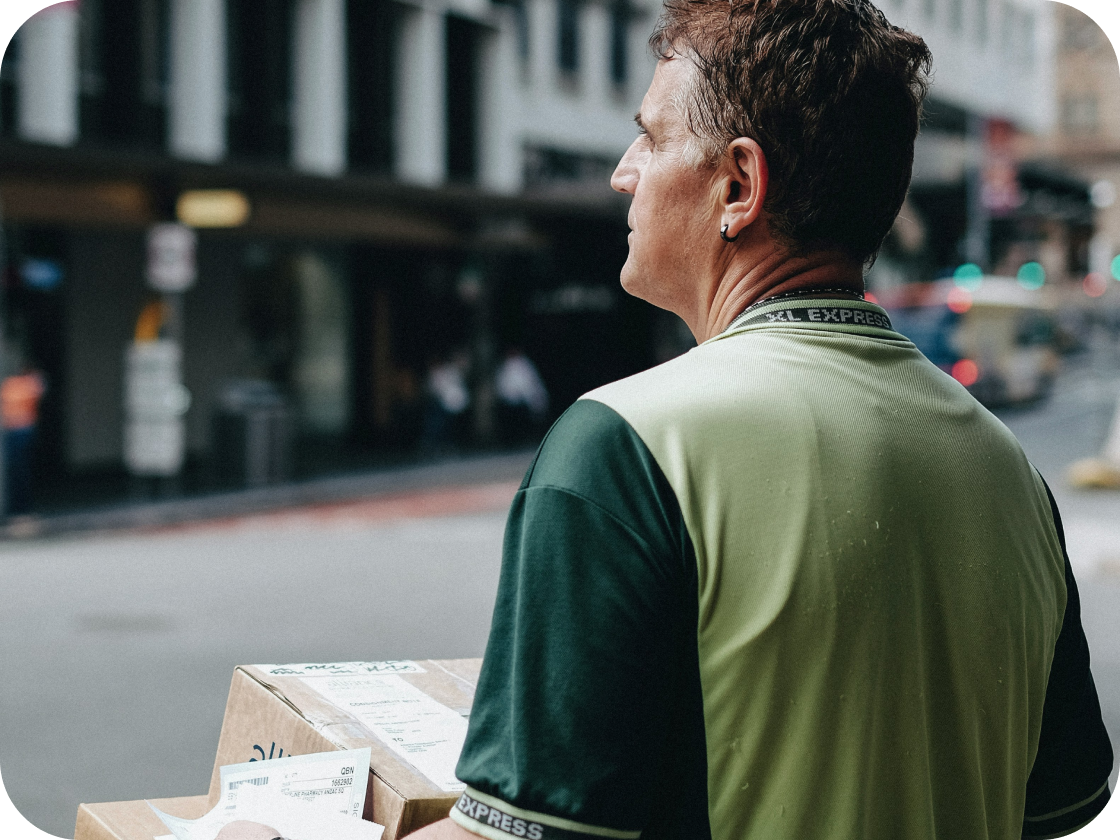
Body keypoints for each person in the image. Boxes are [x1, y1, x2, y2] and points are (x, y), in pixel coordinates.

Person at [409, 2, 1113, 839]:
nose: (623, 172)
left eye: (653, 138)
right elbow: (1066, 813)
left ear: (738, 185)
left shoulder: (625, 448)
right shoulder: (1011, 475)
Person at [2, 361, 47, 516]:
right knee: (17, 470)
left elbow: (40, 390)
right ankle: (19, 507)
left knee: (22, 469)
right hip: (16, 430)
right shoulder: (13, 385)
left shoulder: (25, 384)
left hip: (23, 430)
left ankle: (23, 507)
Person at [494, 346, 549, 445]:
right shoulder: (505, 365)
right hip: (510, 402)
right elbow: (503, 384)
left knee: (524, 423)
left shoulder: (524, 364)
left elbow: (529, 383)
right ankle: (513, 441)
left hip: (522, 401)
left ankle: (524, 439)